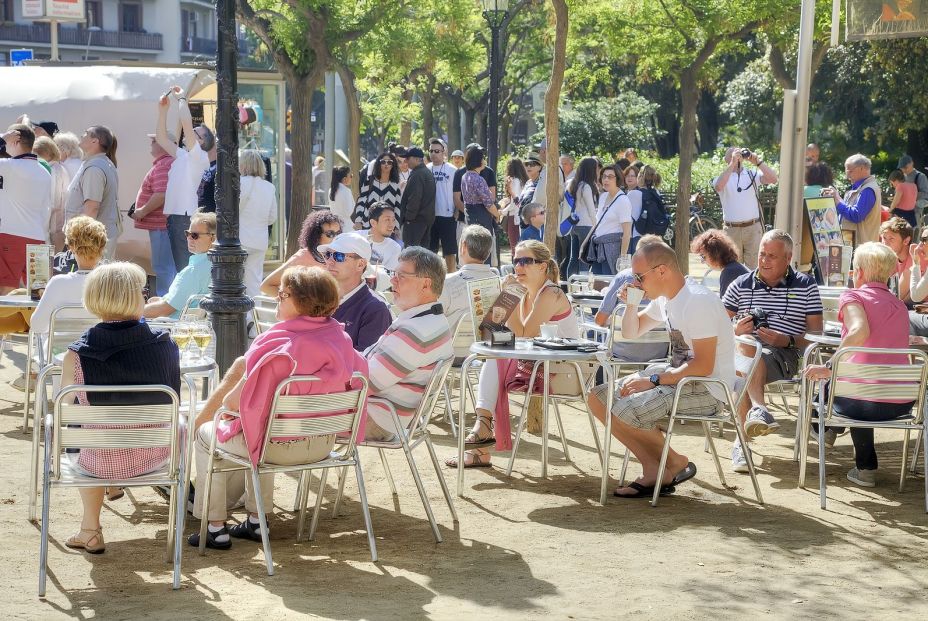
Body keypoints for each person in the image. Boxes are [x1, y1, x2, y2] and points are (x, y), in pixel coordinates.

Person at [188, 266, 367, 549]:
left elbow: (231, 402)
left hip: (276, 449)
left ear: (302, 302)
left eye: (283, 294)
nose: (277, 299)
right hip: (323, 445)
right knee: (263, 424)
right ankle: (257, 520)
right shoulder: (344, 342)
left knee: (210, 434)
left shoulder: (277, 345)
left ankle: (214, 526)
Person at [587, 239, 735, 497]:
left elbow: (703, 364)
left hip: (708, 388)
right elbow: (631, 332)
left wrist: (655, 379)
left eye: (639, 277)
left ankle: (673, 462)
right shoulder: (666, 299)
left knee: (624, 409)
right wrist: (632, 303)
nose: (635, 282)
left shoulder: (697, 301)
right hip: (680, 378)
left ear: (662, 271)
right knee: (598, 399)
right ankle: (655, 467)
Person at [60, 262, 181, 554]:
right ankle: (111, 488)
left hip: (99, 460)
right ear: (134, 297)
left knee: (79, 425)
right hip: (157, 457)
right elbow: (173, 396)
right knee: (97, 426)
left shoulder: (76, 354)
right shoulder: (167, 345)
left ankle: (90, 529)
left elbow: (63, 404)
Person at [446, 240, 581, 468]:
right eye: (516, 261)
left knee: (496, 359)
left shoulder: (552, 294)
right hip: (539, 367)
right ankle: (483, 427)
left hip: (563, 372)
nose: (518, 266)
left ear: (542, 266)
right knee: (496, 357)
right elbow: (491, 329)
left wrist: (510, 295)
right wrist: (506, 298)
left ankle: (482, 433)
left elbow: (524, 334)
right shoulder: (528, 294)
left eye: (526, 261)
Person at [803, 242, 914, 488]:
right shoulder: (899, 306)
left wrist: (830, 365)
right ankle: (863, 468)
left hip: (860, 402)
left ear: (860, 272)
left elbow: (859, 330)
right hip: (899, 404)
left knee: (834, 383)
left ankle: (827, 429)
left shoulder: (853, 296)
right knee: (861, 384)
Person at [722, 229, 823, 471]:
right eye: (761, 254)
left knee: (740, 369)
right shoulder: (742, 284)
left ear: (788, 258)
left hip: (785, 356)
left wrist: (785, 340)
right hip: (745, 352)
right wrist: (734, 330)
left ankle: (742, 444)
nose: (764, 261)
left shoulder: (806, 285)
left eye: (771, 256)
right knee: (745, 347)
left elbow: (816, 337)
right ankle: (758, 411)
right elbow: (716, 327)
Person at [363, 247, 453, 441]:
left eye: (401, 276)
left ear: (425, 284)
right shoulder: (430, 318)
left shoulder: (416, 332)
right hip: (386, 414)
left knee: (291, 412)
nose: (392, 280)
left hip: (376, 418)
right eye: (394, 274)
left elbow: (364, 383)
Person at [157, 87, 211, 272]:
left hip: (185, 216)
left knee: (185, 267)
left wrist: (182, 100)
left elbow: (186, 125)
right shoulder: (183, 155)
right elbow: (162, 139)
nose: (191, 135)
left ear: (202, 143)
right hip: (177, 216)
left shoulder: (199, 157)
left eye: (197, 135)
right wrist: (163, 111)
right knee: (182, 266)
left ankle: (187, 299)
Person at [594, 235, 669, 363]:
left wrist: (614, 321)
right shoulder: (670, 283)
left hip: (621, 351)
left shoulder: (624, 277)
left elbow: (600, 320)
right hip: (660, 353)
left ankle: (602, 380)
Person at [30, 216, 107, 336]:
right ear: (102, 248)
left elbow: (37, 326)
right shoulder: (111, 283)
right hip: (99, 352)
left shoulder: (58, 283)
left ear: (71, 247)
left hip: (59, 353)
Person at [0, 123, 52, 294]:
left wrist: (2, 139)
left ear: (15, 140)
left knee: (7, 290)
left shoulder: (9, 166)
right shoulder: (44, 172)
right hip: (38, 236)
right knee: (38, 291)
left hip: (10, 235)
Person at [319, 232, 392, 351]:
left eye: (339, 256)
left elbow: (364, 364)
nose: (330, 261)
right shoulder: (316, 297)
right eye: (328, 254)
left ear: (360, 264)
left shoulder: (376, 309)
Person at [713, 147, 778, 269]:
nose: (736, 156)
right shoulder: (722, 178)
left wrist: (757, 162)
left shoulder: (751, 174)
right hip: (732, 230)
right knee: (732, 268)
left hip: (753, 228)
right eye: (732, 154)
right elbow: (718, 187)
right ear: (726, 159)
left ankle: (753, 288)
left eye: (738, 153)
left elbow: (773, 179)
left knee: (755, 269)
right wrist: (732, 164)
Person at [143, 212, 215, 319]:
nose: (189, 238)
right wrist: (164, 299)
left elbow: (164, 309)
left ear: (213, 238)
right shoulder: (216, 265)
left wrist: (130, 311)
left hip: (174, 328)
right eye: (188, 234)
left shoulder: (194, 271)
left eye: (195, 235)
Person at [131, 131, 176, 296]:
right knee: (166, 267)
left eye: (154, 141)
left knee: (163, 267)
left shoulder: (164, 164)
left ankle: (165, 304)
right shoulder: (167, 163)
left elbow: (161, 194)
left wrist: (142, 210)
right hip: (163, 225)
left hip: (161, 225)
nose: (151, 143)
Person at [260, 211, 341, 296]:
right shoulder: (303, 257)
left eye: (338, 234)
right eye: (330, 234)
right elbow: (266, 286)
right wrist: (295, 302)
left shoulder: (341, 256)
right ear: (317, 235)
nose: (336, 238)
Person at [439, 225, 499, 333]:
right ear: (489, 251)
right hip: (487, 346)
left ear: (463, 247)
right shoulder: (499, 283)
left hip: (452, 348)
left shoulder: (446, 283)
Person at [238, 149, 278, 296]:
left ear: (243, 165)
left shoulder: (239, 183)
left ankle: (238, 315)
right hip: (259, 240)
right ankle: (254, 316)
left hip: (240, 239)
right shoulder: (269, 187)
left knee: (235, 280)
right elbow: (272, 217)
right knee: (254, 281)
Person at [823, 154, 882, 248]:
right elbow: (849, 209)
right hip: (854, 245)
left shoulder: (868, 189)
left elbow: (856, 215)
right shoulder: (863, 187)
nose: (847, 175)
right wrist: (836, 197)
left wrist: (837, 201)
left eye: (850, 171)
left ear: (862, 168)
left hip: (861, 247)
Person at [454, 144, 498, 263]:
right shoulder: (479, 179)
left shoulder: (464, 176)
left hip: (470, 218)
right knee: (484, 253)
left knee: (473, 252)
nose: (484, 160)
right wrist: (498, 214)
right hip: (482, 219)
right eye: (482, 158)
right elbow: (489, 204)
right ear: (477, 160)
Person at [587, 164, 631, 275]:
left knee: (608, 285)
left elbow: (627, 233)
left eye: (610, 177)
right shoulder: (602, 197)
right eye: (604, 176)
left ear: (618, 179)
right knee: (596, 285)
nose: (606, 180)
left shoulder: (623, 200)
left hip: (612, 249)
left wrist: (622, 258)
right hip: (598, 248)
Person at [32, 136, 70, 252]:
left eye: (37, 154)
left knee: (49, 264)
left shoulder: (52, 170)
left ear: (47, 153)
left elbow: (53, 201)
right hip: (56, 226)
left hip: (52, 227)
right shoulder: (59, 168)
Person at [427, 138, 459, 273]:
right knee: (430, 251)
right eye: (431, 151)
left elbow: (459, 192)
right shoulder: (426, 169)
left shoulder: (453, 170)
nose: (434, 154)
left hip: (448, 215)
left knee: (450, 251)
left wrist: (457, 209)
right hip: (430, 216)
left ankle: (451, 277)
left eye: (437, 151)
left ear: (444, 152)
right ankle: (434, 278)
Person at [690, 229, 749, 296]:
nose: (702, 261)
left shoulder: (729, 272)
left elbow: (724, 305)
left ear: (714, 254)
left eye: (703, 256)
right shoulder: (735, 267)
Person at [566, 157, 600, 276]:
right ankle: (583, 285)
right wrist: (597, 225)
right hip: (586, 225)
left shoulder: (575, 184)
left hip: (574, 225)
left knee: (573, 258)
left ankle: (570, 283)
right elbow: (591, 210)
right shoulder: (586, 187)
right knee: (583, 258)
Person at [400, 147, 437, 248]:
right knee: (422, 256)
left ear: (417, 159)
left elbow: (414, 199)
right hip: (425, 220)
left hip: (415, 222)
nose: (406, 161)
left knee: (411, 254)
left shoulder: (418, 174)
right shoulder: (426, 172)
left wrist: (408, 218)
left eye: (408, 158)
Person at [353, 152, 401, 230]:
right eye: (383, 162)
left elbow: (397, 207)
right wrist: (358, 221)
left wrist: (396, 227)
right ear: (379, 164)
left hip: (387, 226)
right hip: (368, 224)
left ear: (393, 165)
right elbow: (361, 201)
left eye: (389, 162)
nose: (386, 164)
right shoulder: (369, 181)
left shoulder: (395, 185)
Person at [879, 217, 914, 303]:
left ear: (906, 241)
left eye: (891, 239)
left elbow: (898, 297)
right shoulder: (889, 257)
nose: (885, 243)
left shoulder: (916, 255)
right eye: (884, 238)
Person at [501, 158, 528, 251]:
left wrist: (502, 212)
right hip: (523, 216)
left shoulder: (514, 181)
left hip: (514, 217)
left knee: (514, 246)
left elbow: (514, 202)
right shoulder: (525, 181)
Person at [367, 202, 402, 271]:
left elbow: (388, 277)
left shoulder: (395, 248)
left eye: (393, 220)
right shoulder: (356, 238)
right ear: (373, 223)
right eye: (387, 220)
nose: (391, 225)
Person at [195, 125, 219, 213]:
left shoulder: (222, 168)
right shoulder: (195, 164)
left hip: (210, 221)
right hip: (194, 219)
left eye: (195, 134)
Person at [898, 154, 928, 222]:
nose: (904, 170)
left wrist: (910, 195)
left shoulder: (921, 177)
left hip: (915, 211)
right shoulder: (902, 177)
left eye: (905, 167)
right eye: (902, 168)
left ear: (911, 164)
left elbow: (925, 194)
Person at [623, 165, 644, 255]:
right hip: (625, 233)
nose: (629, 178)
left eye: (633, 176)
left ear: (637, 178)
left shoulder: (637, 193)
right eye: (627, 175)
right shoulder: (623, 192)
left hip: (634, 233)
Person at [327, 165, 354, 233]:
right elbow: (350, 212)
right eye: (350, 176)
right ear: (344, 179)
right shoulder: (346, 191)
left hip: (335, 226)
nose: (351, 177)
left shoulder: (331, 190)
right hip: (347, 227)